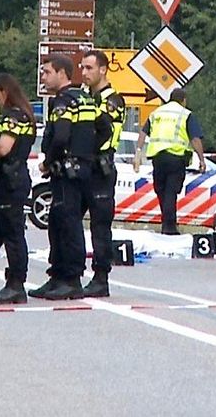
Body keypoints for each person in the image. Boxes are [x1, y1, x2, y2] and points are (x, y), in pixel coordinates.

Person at [29, 54, 107, 301]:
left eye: (47, 72)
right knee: (58, 221)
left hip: (66, 170)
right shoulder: (86, 98)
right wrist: (88, 152)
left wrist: (49, 162)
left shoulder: (63, 101)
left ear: (62, 73)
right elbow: (105, 128)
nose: (43, 77)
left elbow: (60, 136)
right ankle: (58, 276)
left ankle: (71, 278)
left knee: (68, 222)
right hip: (83, 168)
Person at [0, 73, 35, 304]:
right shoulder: (23, 114)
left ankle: (16, 284)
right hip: (13, 177)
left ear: (5, 92)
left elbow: (3, 149)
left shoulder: (13, 116)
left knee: (12, 233)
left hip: (10, 178)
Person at [78, 50, 126, 298]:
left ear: (103, 69)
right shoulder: (85, 97)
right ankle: (69, 273)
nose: (84, 73)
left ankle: (100, 277)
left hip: (100, 168)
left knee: (100, 225)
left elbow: (101, 132)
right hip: (82, 167)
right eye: (82, 68)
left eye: (89, 68)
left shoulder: (113, 100)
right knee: (67, 220)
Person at [134, 88, 206, 235]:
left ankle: (166, 222)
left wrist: (138, 152)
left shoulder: (157, 112)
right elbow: (195, 138)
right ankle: (169, 227)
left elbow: (143, 132)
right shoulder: (186, 114)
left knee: (161, 191)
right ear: (183, 100)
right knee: (171, 192)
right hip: (176, 158)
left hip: (158, 158)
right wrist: (201, 159)